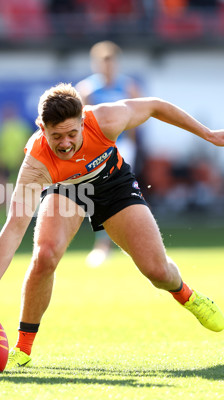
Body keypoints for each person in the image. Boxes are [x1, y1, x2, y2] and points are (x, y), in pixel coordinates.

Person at [0, 83, 224, 369]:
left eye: (71, 133)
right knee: (45, 256)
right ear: (42, 129)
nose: (65, 143)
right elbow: (14, 227)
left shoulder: (106, 119)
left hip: (112, 185)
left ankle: (187, 295)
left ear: (83, 121)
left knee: (157, 272)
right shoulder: (36, 164)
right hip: (67, 190)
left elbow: (155, 105)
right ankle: (24, 348)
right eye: (56, 136)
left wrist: (208, 134)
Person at [76, 40, 142, 267]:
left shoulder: (128, 86)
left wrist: (133, 147)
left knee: (122, 193)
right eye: (102, 62)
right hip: (99, 149)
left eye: (111, 61)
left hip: (123, 146)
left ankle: (132, 242)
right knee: (102, 195)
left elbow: (136, 120)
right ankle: (105, 244)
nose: (107, 66)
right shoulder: (87, 89)